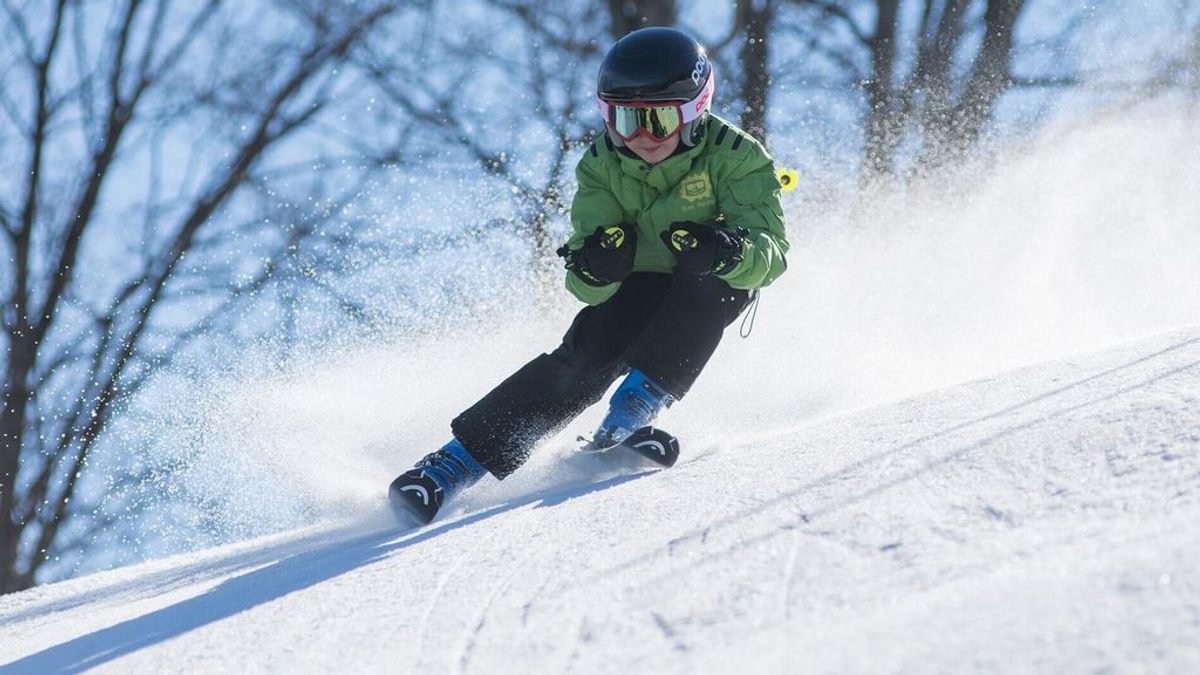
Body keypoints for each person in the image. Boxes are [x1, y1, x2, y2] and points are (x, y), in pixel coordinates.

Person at [388, 26, 789, 525]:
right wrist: (597, 266)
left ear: (693, 112)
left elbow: (771, 256)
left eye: (658, 120)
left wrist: (726, 250)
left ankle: (629, 416)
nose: (640, 137)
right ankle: (451, 466)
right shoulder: (601, 163)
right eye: (623, 120)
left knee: (717, 287)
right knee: (587, 354)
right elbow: (583, 281)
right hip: (637, 282)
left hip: (705, 278)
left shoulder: (737, 155)